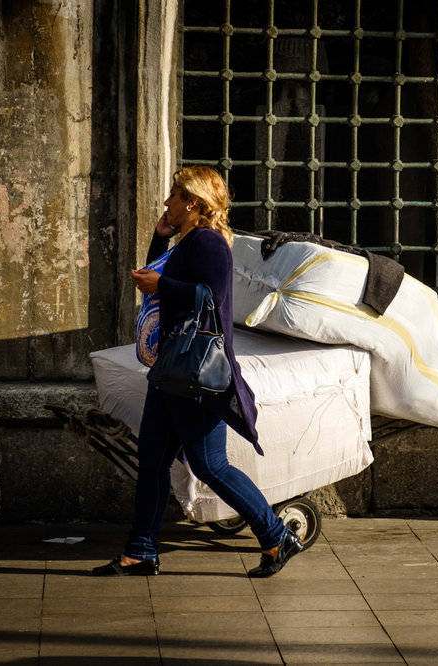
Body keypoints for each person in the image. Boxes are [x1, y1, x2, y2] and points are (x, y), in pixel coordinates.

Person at [92, 166, 302, 578]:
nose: (166, 202)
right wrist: (160, 238)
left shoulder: (207, 242)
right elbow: (160, 278)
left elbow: (210, 296)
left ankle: (276, 536)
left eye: (173, 195)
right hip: (173, 371)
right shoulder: (187, 241)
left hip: (195, 375)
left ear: (192, 202)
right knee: (153, 462)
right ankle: (140, 551)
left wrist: (162, 285)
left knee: (210, 466)